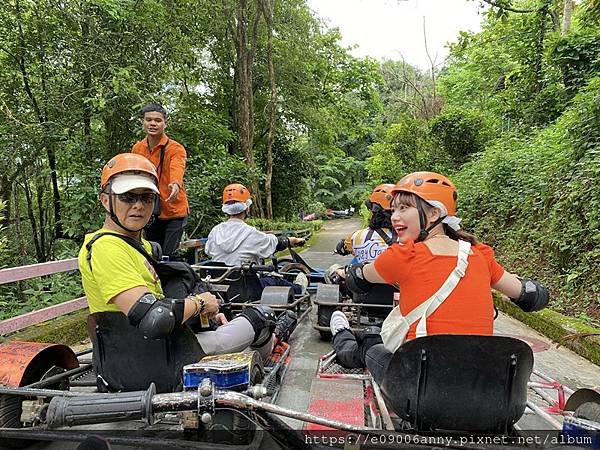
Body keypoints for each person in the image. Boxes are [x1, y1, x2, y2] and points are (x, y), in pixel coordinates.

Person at [78, 154, 294, 392]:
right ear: (105, 200)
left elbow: (165, 296)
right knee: (261, 316)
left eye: (146, 197)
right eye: (128, 197)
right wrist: (201, 303)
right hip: (158, 359)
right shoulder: (106, 248)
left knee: (222, 319)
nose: (138, 205)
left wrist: (205, 314)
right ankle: (269, 351)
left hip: (158, 349)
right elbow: (155, 319)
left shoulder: (144, 247)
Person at [329, 171, 549, 384]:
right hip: (479, 385)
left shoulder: (403, 255)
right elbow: (531, 295)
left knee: (372, 342)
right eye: (393, 209)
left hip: (419, 388)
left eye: (404, 208)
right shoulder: (479, 254)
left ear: (434, 213)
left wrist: (350, 273)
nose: (395, 217)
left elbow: (358, 278)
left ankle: (341, 333)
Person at [205, 183, 308, 296]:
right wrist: (290, 240)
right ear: (247, 207)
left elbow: (208, 251)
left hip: (219, 289)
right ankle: (300, 288)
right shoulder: (249, 233)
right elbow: (272, 243)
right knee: (275, 280)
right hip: (247, 290)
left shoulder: (215, 231)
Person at [131, 103, 188, 258]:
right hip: (150, 209)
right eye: (149, 120)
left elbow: (177, 167)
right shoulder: (138, 148)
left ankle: (172, 280)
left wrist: (175, 184)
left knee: (168, 254)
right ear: (143, 122)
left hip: (173, 209)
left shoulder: (175, 148)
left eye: (157, 120)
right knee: (152, 253)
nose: (153, 123)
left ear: (165, 123)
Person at [334, 183, 397, 263]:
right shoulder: (409, 238)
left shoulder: (356, 237)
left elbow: (343, 248)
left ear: (372, 211)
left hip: (365, 274)